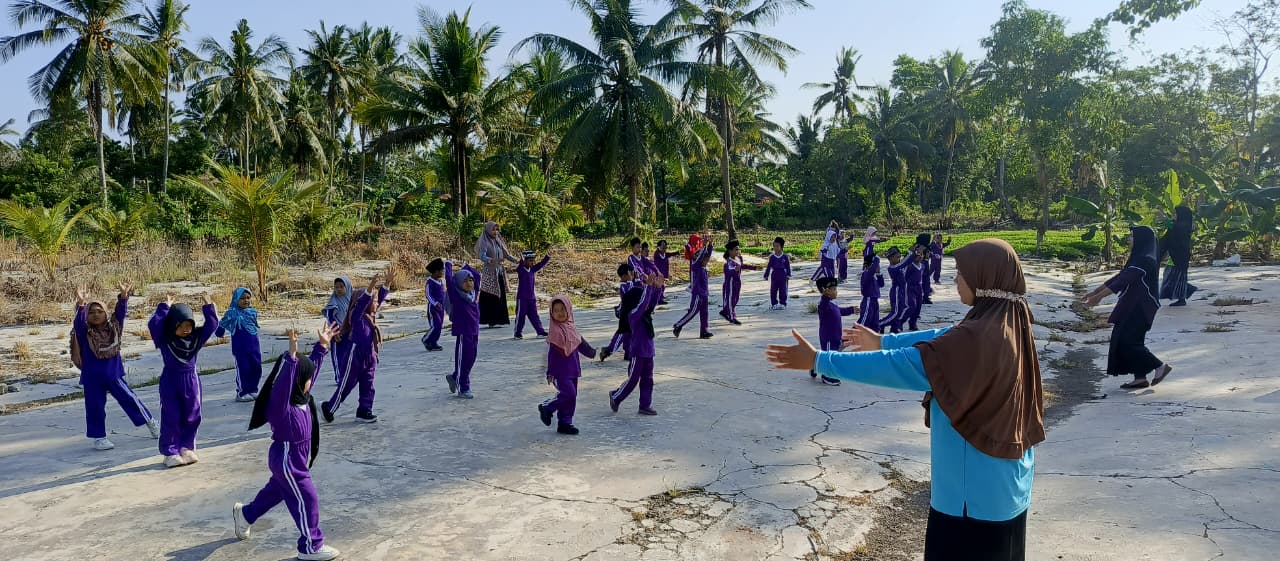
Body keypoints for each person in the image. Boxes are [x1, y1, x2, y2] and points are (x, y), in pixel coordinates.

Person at [766, 238, 1046, 561]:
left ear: (984, 278)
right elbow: (943, 336)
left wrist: (820, 361)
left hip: (971, 503)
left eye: (961, 273)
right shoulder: (1006, 321)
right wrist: (884, 341)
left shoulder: (975, 340)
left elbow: (903, 365)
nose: (955, 279)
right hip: (1008, 488)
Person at [234, 324, 342, 561]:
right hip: (287, 458)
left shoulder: (302, 395)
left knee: (277, 492)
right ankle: (311, 545)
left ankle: (246, 515)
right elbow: (284, 384)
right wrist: (291, 359)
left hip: (297, 457)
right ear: (296, 379)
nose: (310, 380)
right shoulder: (281, 406)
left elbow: (311, 368)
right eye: (305, 378)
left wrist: (322, 346)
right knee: (307, 498)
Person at [1082, 226, 1174, 389]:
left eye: (1132, 237)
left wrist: (1097, 298)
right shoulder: (1139, 257)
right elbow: (1119, 277)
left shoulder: (1145, 260)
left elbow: (1122, 282)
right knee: (1132, 340)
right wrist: (1094, 292)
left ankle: (1159, 366)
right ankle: (1140, 378)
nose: (1129, 240)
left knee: (1127, 342)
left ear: (1141, 239)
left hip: (1141, 306)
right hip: (1133, 304)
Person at [72, 283, 159, 451]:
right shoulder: (84, 332)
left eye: (100, 311)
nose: (96, 315)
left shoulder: (114, 328)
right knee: (95, 408)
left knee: (130, 400)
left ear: (106, 313)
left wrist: (124, 296)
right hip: (92, 379)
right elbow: (78, 322)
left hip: (113, 375)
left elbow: (120, 313)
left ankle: (151, 423)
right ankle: (99, 438)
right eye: (91, 312)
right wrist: (81, 304)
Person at [149, 292, 218, 468]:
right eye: (182, 325)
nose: (186, 329)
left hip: (191, 381)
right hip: (171, 380)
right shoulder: (165, 340)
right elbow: (154, 325)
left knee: (192, 414)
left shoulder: (195, 339)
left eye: (189, 325)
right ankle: (170, 451)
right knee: (171, 415)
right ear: (173, 325)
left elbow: (211, 325)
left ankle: (187, 447)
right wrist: (165, 307)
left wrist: (209, 306)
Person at [321, 275, 387, 423]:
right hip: (355, 355)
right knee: (347, 384)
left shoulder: (371, 315)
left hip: (370, 356)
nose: (376, 304)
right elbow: (363, 302)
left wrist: (386, 284)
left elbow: (379, 299)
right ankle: (329, 408)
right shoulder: (356, 315)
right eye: (373, 301)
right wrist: (370, 288)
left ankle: (364, 411)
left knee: (368, 384)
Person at [538, 296, 596, 435]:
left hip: (573, 369)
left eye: (563, 309)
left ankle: (565, 423)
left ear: (569, 310)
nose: (560, 313)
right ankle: (547, 407)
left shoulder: (572, 328)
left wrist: (593, 353)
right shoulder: (555, 333)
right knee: (568, 393)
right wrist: (550, 372)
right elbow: (551, 355)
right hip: (560, 371)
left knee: (572, 396)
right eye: (556, 310)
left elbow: (581, 344)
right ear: (552, 313)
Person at [609, 274, 666, 416]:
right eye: (641, 300)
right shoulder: (634, 315)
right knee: (633, 379)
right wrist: (648, 287)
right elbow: (643, 305)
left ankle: (645, 405)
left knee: (648, 379)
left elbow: (650, 303)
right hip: (637, 353)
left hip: (648, 352)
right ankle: (616, 396)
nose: (646, 305)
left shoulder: (646, 314)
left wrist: (657, 289)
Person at [443, 259, 482, 399]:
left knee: (471, 359)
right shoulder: (457, 296)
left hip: (474, 332)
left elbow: (477, 276)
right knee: (462, 359)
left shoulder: (474, 295)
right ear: (459, 283)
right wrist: (448, 265)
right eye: (465, 281)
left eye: (470, 280)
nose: (469, 283)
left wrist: (466, 266)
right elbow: (449, 280)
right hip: (463, 333)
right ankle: (463, 387)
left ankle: (455, 377)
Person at [216, 287, 262, 402]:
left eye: (248, 298)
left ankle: (253, 390)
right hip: (240, 349)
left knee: (256, 368)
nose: (246, 300)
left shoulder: (252, 312)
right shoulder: (231, 313)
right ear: (236, 299)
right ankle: (242, 392)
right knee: (244, 369)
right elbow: (221, 326)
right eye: (242, 298)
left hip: (254, 348)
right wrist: (219, 331)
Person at [475, 221, 518, 328]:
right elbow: (482, 256)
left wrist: (518, 261)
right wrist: (490, 260)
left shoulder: (499, 241)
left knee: (501, 294)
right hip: (489, 272)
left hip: (499, 271)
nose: (495, 232)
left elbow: (506, 255)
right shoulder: (485, 242)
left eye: (497, 229)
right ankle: (490, 320)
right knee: (490, 295)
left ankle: (500, 319)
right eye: (493, 229)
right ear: (488, 230)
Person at [811, 277, 852, 386]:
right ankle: (826, 376)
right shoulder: (823, 305)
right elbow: (824, 303)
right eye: (833, 289)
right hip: (828, 338)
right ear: (826, 291)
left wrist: (852, 310)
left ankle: (815, 366)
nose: (836, 291)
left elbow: (840, 311)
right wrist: (824, 296)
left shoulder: (832, 304)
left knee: (833, 355)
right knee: (829, 357)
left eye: (835, 289)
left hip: (836, 336)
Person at [674, 241, 715, 339]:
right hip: (697, 294)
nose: (707, 260)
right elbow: (700, 257)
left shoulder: (704, 268)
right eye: (705, 259)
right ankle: (678, 325)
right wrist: (704, 246)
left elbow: (707, 255)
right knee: (693, 312)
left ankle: (704, 331)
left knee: (704, 313)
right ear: (700, 259)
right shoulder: (696, 267)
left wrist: (710, 246)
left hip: (704, 294)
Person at [1159, 206, 1197, 307]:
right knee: (1170, 274)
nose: (1174, 216)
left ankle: (1182, 298)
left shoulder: (1184, 226)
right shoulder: (1179, 224)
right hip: (1175, 255)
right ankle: (1187, 290)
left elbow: (1175, 229)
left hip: (1181, 256)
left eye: (1176, 214)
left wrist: (1164, 218)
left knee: (1178, 277)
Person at [600, 263, 637, 361]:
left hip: (631, 313)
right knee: (622, 334)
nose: (632, 275)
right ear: (624, 276)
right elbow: (629, 295)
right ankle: (608, 351)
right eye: (631, 273)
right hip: (625, 313)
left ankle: (628, 352)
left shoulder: (631, 283)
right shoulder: (624, 286)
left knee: (630, 333)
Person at [719, 240, 759, 326]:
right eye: (736, 249)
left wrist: (754, 267)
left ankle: (725, 312)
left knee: (735, 300)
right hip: (730, 284)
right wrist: (734, 270)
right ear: (730, 251)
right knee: (730, 300)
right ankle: (732, 317)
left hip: (737, 283)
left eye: (738, 249)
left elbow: (742, 266)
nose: (738, 251)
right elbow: (728, 273)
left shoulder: (739, 258)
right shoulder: (727, 263)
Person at [514, 250, 552, 339]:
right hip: (522, 298)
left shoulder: (532, 269)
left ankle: (540, 331)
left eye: (533, 260)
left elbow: (541, 264)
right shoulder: (521, 270)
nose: (532, 262)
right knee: (520, 317)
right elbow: (519, 268)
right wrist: (521, 261)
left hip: (531, 298)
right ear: (525, 261)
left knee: (534, 316)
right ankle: (517, 333)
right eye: (530, 260)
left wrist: (547, 257)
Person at [322, 278, 354, 382]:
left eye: (341, 286)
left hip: (350, 332)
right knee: (338, 355)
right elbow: (329, 317)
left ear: (347, 287)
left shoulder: (352, 299)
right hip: (337, 332)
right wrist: (334, 332)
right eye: (336, 287)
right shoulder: (333, 301)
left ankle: (350, 376)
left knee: (350, 355)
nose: (339, 289)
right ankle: (340, 377)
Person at [879, 248, 909, 334]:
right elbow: (905, 262)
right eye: (897, 257)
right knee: (895, 313)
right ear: (890, 258)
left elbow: (906, 261)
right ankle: (880, 323)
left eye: (900, 257)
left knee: (900, 311)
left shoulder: (898, 266)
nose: (899, 259)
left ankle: (894, 329)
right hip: (896, 291)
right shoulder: (893, 268)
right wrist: (912, 253)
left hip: (902, 291)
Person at [422, 260, 446, 352]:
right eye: (441, 271)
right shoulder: (430, 282)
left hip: (441, 308)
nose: (442, 272)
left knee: (439, 326)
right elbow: (428, 295)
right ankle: (426, 339)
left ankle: (434, 342)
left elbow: (443, 293)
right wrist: (435, 303)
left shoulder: (440, 281)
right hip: (433, 309)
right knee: (435, 325)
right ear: (435, 272)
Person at [857, 256, 884, 333]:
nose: (878, 266)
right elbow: (872, 269)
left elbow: (881, 284)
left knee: (875, 323)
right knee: (864, 322)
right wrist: (877, 258)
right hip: (868, 300)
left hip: (875, 300)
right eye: (877, 265)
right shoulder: (866, 274)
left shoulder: (873, 275)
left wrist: (879, 273)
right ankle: (846, 339)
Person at [764, 237, 792, 310]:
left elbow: (788, 266)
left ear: (781, 247)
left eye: (777, 246)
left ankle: (783, 303)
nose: (775, 248)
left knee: (783, 290)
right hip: (774, 275)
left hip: (783, 275)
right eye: (774, 246)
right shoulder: (772, 257)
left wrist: (788, 274)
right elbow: (769, 267)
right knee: (773, 290)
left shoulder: (785, 257)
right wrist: (766, 275)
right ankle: (774, 304)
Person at [916, 234, 935, 306]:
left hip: (924, 265)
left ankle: (925, 297)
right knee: (922, 281)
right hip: (921, 265)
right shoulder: (921, 247)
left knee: (925, 281)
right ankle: (922, 297)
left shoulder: (924, 246)